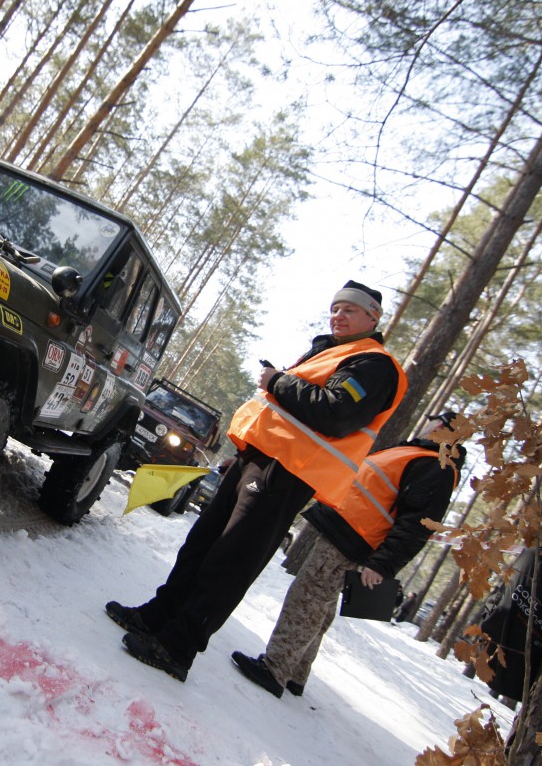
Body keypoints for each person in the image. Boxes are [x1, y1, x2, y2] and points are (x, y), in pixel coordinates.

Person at [106, 280, 406, 681]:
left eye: (349, 310)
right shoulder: (331, 351)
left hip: (287, 475)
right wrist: (245, 453)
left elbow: (336, 413)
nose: (338, 316)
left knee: (229, 559)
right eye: (335, 308)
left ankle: (177, 647)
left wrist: (278, 381)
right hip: (260, 461)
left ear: (373, 318)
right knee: (201, 544)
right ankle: (157, 616)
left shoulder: (374, 364)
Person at [229, 412, 466, 698]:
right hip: (346, 534)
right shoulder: (420, 455)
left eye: (432, 421)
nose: (427, 424)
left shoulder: (437, 467)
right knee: (319, 605)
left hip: (351, 541)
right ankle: (295, 673)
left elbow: (416, 526)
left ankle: (274, 669)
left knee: (307, 599)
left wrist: (383, 565)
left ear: (440, 426)